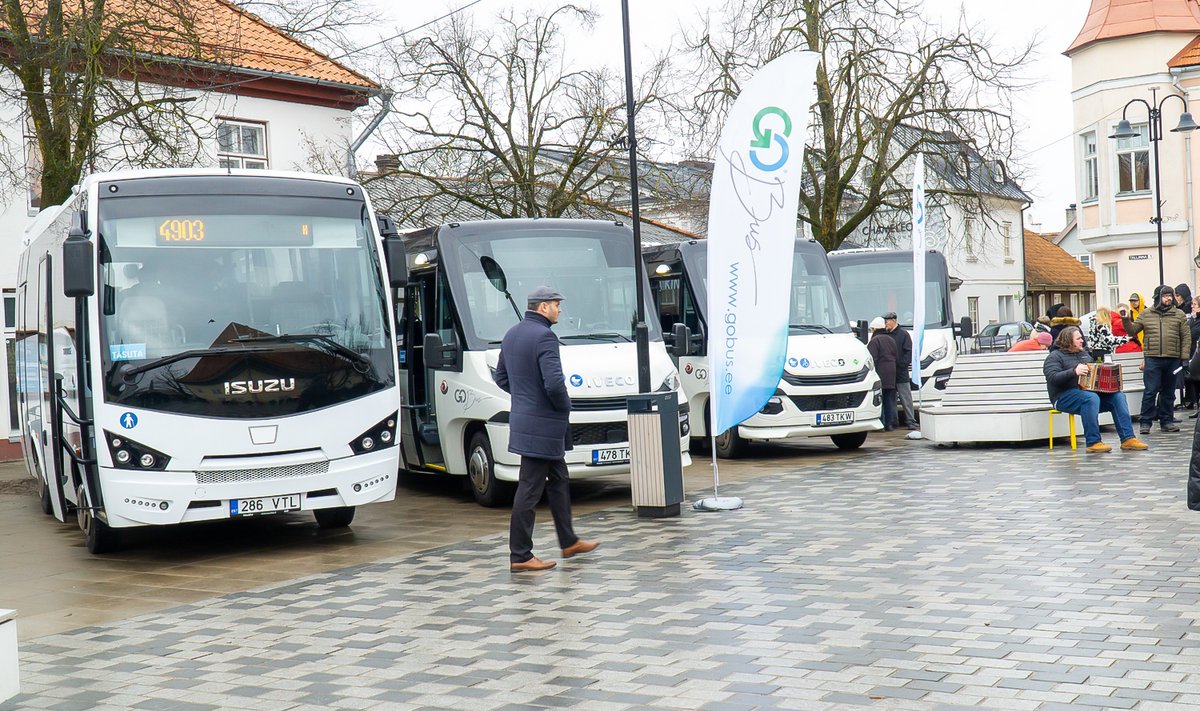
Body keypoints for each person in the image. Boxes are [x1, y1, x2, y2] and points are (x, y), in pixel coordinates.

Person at [493, 286, 599, 572]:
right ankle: (520, 555)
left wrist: (526, 396)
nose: (560, 309)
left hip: (528, 421)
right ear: (542, 307)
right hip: (544, 424)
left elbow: (501, 377)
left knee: (560, 479)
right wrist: (564, 406)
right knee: (529, 489)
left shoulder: (512, 334)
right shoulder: (544, 337)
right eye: (556, 304)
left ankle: (569, 541)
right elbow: (554, 384)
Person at [1044, 326, 1148, 453]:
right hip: (1062, 397)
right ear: (1068, 340)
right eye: (1078, 338)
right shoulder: (1054, 356)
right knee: (1090, 398)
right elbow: (1052, 378)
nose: (1082, 340)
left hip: (1089, 395)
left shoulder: (1084, 354)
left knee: (1118, 396)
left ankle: (1128, 439)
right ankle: (1093, 442)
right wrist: (1073, 372)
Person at [1122, 285, 1192, 435]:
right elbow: (1133, 330)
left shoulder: (1179, 314)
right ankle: (1145, 422)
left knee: (1169, 392)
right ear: (1157, 297)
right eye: (1165, 295)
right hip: (1152, 358)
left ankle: (1167, 421)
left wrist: (1184, 358)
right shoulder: (1146, 314)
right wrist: (1125, 319)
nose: (1169, 298)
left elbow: (1186, 337)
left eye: (1170, 295)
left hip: (1173, 358)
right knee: (1150, 391)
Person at [882, 311, 916, 430]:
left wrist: (902, 364)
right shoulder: (885, 335)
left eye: (887, 321)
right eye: (885, 321)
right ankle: (893, 421)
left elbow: (908, 351)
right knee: (891, 398)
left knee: (905, 397)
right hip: (889, 373)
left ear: (894, 321)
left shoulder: (903, 334)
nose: (886, 323)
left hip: (901, 372)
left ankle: (911, 421)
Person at [867, 317, 898, 431]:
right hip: (892, 372)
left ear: (875, 329)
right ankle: (890, 423)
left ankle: (882, 423)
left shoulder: (875, 341)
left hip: (881, 373)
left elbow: (872, 359)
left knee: (880, 399)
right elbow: (896, 356)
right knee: (889, 399)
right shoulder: (891, 339)